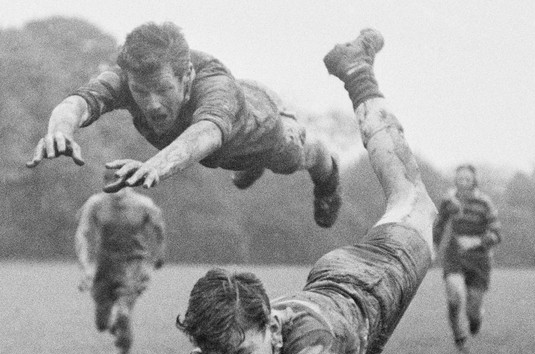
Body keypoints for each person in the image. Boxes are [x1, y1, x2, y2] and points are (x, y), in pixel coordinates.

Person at [98, 28, 436, 354]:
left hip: (372, 279)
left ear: (273, 330)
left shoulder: (310, 340)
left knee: (409, 198)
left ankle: (358, 72)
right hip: (339, 349)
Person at [26, 22, 343, 228]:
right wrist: (59, 130)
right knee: (230, 163)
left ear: (187, 77)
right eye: (140, 92)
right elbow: (78, 102)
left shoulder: (215, 87)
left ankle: (328, 176)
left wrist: (158, 165)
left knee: (290, 159)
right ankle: (250, 166)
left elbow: (205, 133)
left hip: (262, 121)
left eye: (163, 90)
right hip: (225, 138)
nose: (151, 104)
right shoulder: (128, 76)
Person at [75, 183, 166, 354]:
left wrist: (158, 255)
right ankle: (116, 326)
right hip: (105, 266)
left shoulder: (144, 204)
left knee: (123, 314)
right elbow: (83, 233)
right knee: (102, 323)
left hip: (134, 264)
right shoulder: (96, 203)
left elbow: (159, 228)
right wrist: (86, 267)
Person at [432, 164, 500, 351]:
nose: (463, 183)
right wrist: (434, 246)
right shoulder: (449, 201)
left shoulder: (484, 203)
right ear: (455, 181)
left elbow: (496, 231)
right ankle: (457, 333)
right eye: (460, 179)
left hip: (479, 259)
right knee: (454, 296)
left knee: (473, 311)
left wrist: (485, 240)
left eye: (467, 179)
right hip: (455, 256)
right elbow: (439, 225)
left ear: (474, 182)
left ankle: (475, 319)